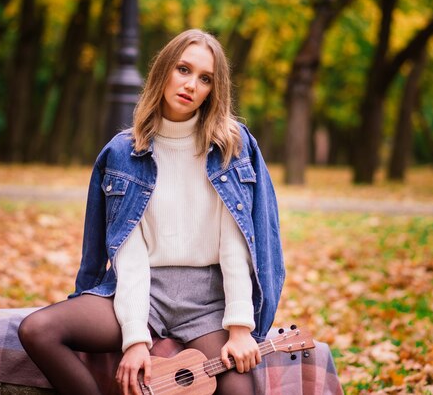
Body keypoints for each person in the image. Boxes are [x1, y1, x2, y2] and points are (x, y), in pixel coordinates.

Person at [18, 29, 285, 395]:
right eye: (183, 69)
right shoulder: (123, 152)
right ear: (163, 70)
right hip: (144, 291)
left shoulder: (230, 146)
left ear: (214, 89)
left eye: (205, 78)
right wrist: (135, 338)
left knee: (241, 390)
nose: (191, 84)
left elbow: (236, 245)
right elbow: (128, 253)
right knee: (37, 330)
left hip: (209, 299)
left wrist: (240, 328)